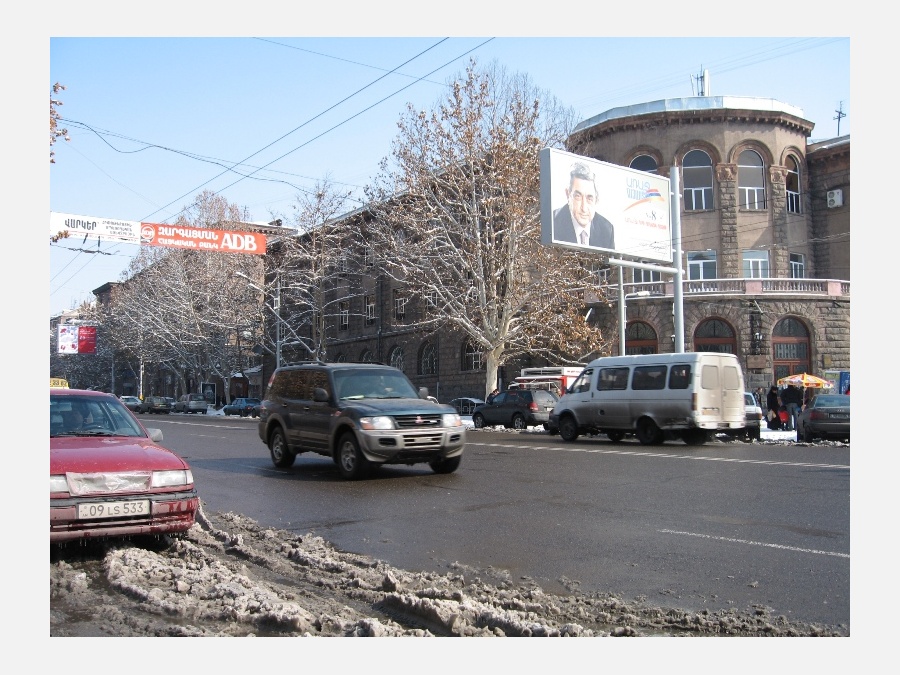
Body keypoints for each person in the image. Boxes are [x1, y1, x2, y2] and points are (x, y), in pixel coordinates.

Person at [552, 162, 615, 250]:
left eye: (589, 198)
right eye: (578, 196)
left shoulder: (607, 230)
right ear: (568, 195)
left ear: (596, 199)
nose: (584, 208)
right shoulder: (552, 223)